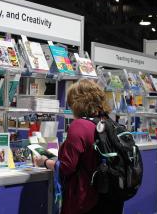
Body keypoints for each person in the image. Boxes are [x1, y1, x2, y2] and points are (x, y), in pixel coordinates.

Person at [35, 79, 124, 214]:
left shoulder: (80, 126)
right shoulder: (107, 122)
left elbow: (66, 167)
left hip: (86, 200)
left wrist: (45, 162)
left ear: (77, 103)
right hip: (110, 197)